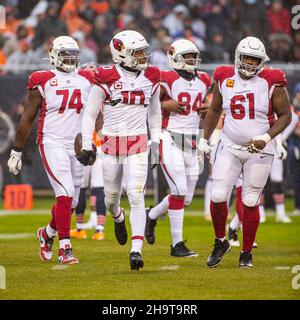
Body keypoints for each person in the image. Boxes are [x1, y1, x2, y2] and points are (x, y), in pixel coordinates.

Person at [199, 36, 291, 268]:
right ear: (238, 57)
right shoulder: (223, 76)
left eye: (255, 59)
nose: (250, 63)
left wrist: (267, 137)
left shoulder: (273, 80)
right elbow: (215, 108)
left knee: (250, 200)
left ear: (262, 61)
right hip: (229, 145)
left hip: (260, 149)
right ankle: (221, 241)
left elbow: (286, 115)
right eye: (247, 58)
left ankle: (247, 252)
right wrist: (204, 138)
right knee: (218, 195)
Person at [78, 30, 161, 271]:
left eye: (144, 50)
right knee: (111, 200)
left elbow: (154, 113)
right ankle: (117, 218)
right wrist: (86, 143)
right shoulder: (105, 76)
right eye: (138, 52)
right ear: (122, 54)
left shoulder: (152, 77)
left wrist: (155, 142)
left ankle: (136, 250)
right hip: (111, 145)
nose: (144, 56)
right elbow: (90, 113)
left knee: (136, 195)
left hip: (138, 143)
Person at [7, 36, 94, 264]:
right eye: (66, 54)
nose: (70, 59)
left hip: (76, 145)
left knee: (72, 203)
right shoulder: (43, 79)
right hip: (52, 141)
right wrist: (16, 150)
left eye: (74, 54)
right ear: (55, 55)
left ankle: (46, 234)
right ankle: (65, 248)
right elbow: (27, 118)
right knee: (64, 194)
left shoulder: (86, 78)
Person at [145, 39, 210, 257]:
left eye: (193, 56)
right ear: (175, 58)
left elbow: (204, 106)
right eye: (187, 57)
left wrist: (206, 108)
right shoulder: (166, 79)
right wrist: (165, 105)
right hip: (168, 137)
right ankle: (177, 244)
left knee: (186, 197)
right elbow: (146, 105)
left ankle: (152, 215)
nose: (192, 60)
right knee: (179, 191)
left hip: (191, 140)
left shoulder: (204, 79)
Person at [71, 131, 107, 240]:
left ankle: (80, 229)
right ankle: (99, 231)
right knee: (99, 188)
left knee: (80, 187)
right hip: (100, 145)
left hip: (85, 144)